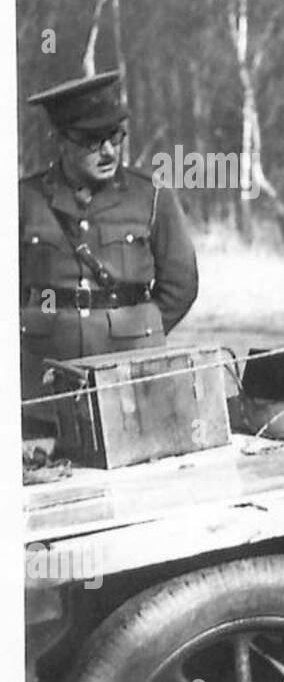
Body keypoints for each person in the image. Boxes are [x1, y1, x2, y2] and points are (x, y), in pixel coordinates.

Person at [21, 70, 198, 427]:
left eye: (114, 137)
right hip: (44, 383)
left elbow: (181, 285)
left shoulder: (151, 196)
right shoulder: (24, 200)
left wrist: (136, 327)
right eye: (91, 140)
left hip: (131, 380)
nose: (107, 151)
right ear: (61, 140)